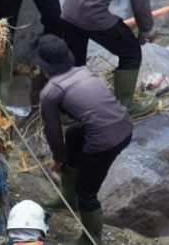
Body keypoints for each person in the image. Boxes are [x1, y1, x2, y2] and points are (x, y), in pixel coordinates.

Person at [34, 34, 132, 245]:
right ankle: (67, 199)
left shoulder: (49, 93)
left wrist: (59, 158)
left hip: (103, 141)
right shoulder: (84, 71)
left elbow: (53, 132)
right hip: (125, 126)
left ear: (43, 66)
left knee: (86, 192)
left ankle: (91, 239)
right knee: (73, 135)